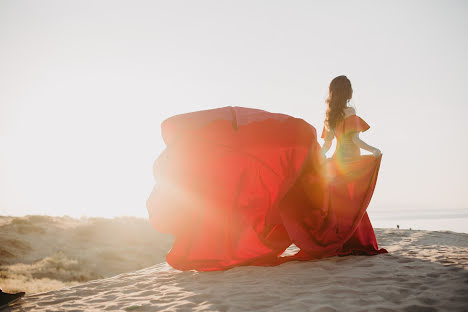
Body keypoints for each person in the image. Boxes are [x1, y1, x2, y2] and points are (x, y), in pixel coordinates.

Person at [147, 77, 386, 271]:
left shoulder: (330, 115)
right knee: (353, 200)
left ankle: (348, 243)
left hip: (334, 161)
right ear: (348, 92)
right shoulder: (349, 110)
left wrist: (316, 160)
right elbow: (354, 139)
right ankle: (356, 243)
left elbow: (327, 146)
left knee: (342, 203)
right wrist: (373, 151)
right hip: (351, 160)